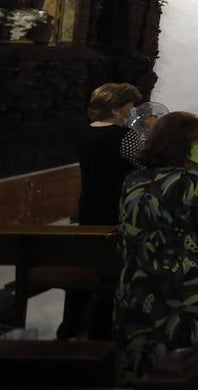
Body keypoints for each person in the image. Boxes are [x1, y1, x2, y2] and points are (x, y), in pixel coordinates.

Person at [115, 112, 198, 384]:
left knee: (145, 363)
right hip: (189, 292)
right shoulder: (197, 182)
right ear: (183, 145)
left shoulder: (132, 181)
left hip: (139, 286)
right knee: (192, 367)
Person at [57, 82, 144, 341]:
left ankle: (71, 325)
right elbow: (142, 165)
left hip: (90, 203)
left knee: (89, 257)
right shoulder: (125, 136)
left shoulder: (84, 133)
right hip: (117, 203)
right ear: (116, 108)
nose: (131, 111)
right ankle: (101, 327)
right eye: (129, 106)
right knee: (113, 265)